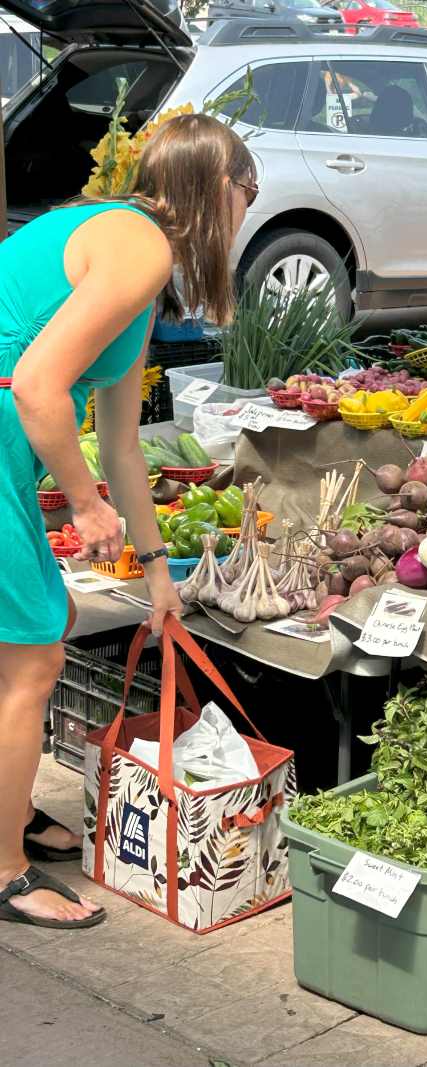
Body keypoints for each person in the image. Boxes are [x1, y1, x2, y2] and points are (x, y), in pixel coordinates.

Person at [0, 113, 258, 931]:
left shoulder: (126, 249)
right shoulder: (139, 245)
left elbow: (119, 443)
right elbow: (40, 386)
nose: (247, 216)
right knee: (35, 657)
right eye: (249, 197)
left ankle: (9, 810)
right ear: (221, 188)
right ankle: (5, 872)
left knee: (35, 633)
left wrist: (155, 572)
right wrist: (83, 504)